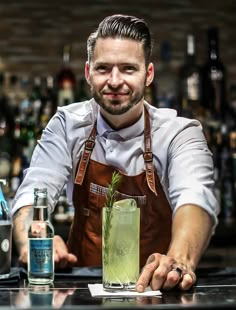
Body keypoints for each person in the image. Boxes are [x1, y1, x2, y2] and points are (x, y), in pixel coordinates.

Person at [12, 14, 219, 292]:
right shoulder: (67, 125)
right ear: (88, 73)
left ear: (148, 74)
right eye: (103, 68)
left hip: (156, 290)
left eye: (128, 69)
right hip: (79, 290)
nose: (114, 80)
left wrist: (179, 259)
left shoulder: (179, 133)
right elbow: (33, 193)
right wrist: (33, 237)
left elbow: (196, 200)